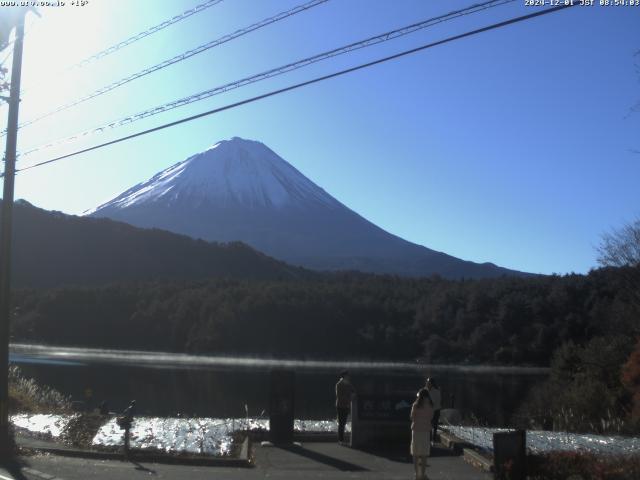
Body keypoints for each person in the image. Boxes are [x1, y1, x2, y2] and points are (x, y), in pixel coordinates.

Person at [410, 388, 433, 480]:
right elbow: (431, 417)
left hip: (416, 430)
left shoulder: (416, 405)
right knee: (424, 454)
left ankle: (416, 474)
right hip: (426, 431)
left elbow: (412, 417)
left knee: (415, 453)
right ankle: (422, 474)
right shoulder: (430, 405)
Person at [335, 370, 355, 444]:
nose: (349, 377)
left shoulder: (348, 384)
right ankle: (340, 440)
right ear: (344, 376)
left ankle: (341, 439)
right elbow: (339, 396)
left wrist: (352, 395)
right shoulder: (339, 384)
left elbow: (353, 391)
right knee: (341, 423)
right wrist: (349, 398)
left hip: (346, 405)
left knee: (343, 422)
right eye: (347, 375)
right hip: (340, 405)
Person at [426, 377, 441, 444]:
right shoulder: (424, 390)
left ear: (432, 384)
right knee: (428, 425)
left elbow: (434, 402)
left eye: (429, 383)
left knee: (434, 426)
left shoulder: (436, 392)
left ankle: (433, 439)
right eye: (427, 382)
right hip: (428, 410)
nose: (427, 384)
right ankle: (428, 439)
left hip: (435, 410)